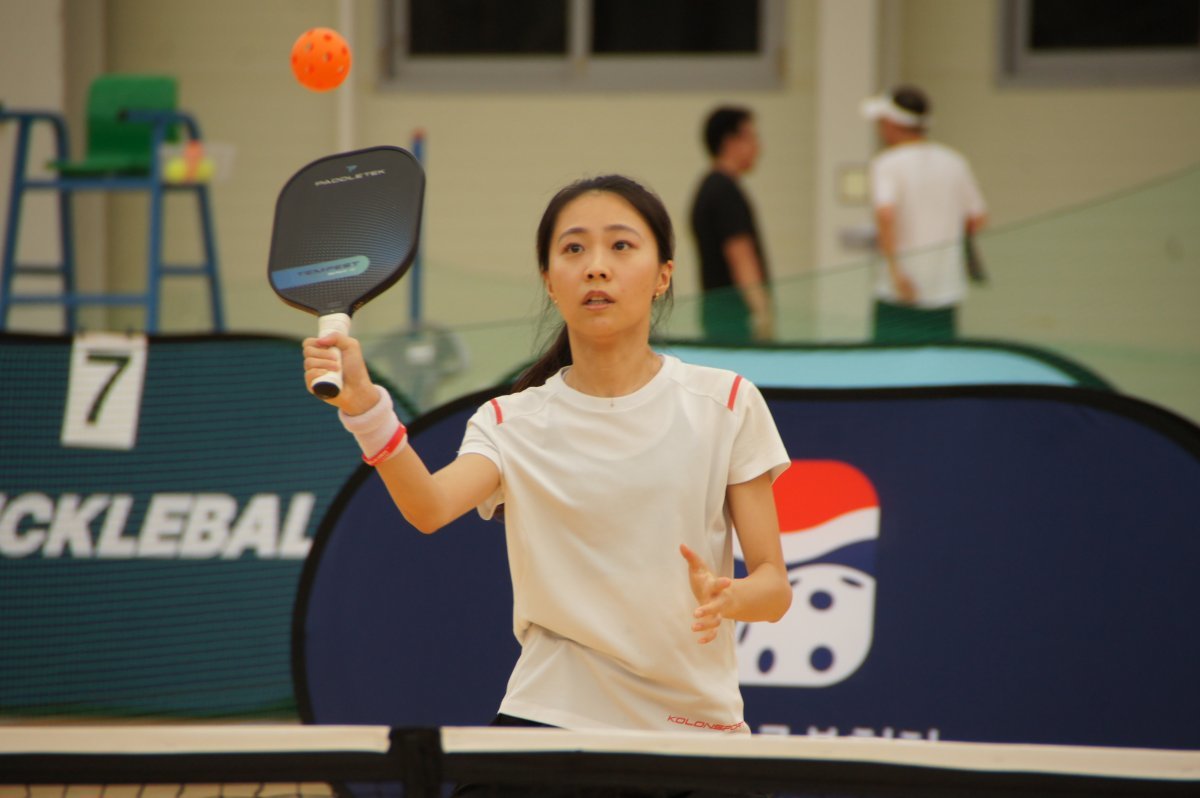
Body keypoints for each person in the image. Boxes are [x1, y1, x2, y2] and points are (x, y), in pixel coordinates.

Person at [303, 175, 792, 797]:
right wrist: (366, 407)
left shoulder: (726, 402)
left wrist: (731, 597)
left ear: (663, 274)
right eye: (574, 250)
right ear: (549, 280)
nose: (596, 268)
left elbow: (775, 588)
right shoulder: (511, 421)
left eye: (621, 247)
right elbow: (428, 508)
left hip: (693, 735)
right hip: (550, 722)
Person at [860, 85, 988, 343]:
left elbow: (886, 215)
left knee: (889, 370)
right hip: (945, 290)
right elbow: (977, 218)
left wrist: (896, 272)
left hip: (897, 292)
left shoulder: (887, 163)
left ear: (893, 123)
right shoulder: (954, 161)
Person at [689, 106, 774, 343]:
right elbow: (740, 256)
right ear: (730, 141)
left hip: (719, 318)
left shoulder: (709, 187)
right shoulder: (724, 192)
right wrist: (761, 312)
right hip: (735, 323)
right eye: (752, 137)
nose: (759, 147)